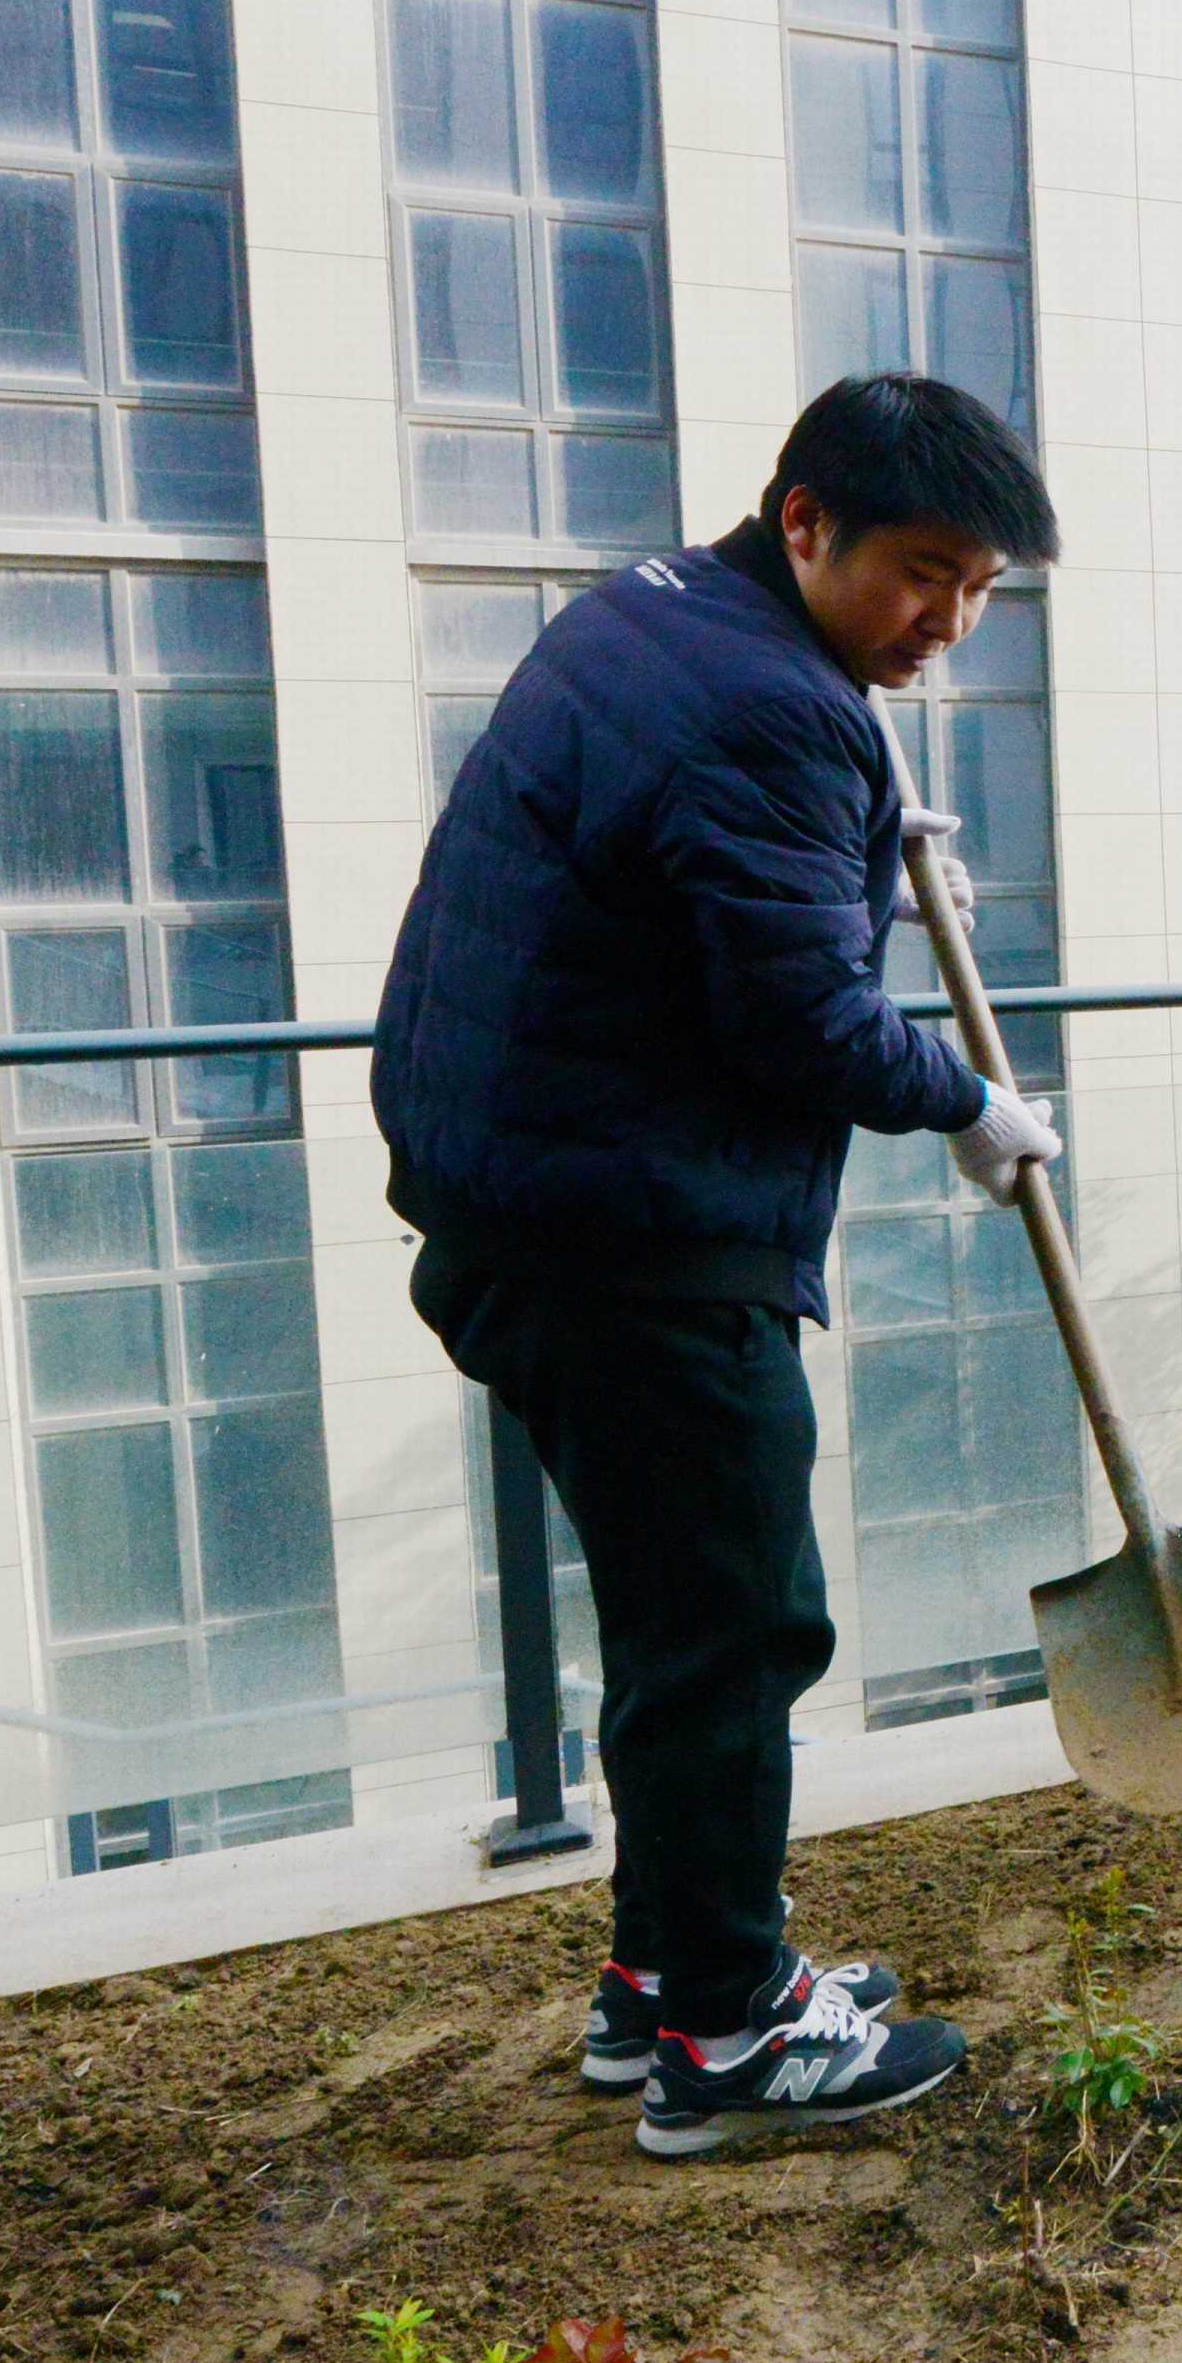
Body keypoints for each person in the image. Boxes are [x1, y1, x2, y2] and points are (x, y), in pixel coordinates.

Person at [374, 374, 1061, 2162]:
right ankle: (730, 2044)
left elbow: (713, 901)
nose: (949, 623)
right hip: (629, 1241)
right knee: (739, 1625)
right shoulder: (772, 706)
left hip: (521, 1199)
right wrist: (971, 1100)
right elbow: (794, 1022)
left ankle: (663, 1979)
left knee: (677, 1625)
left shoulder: (653, 616)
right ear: (804, 521)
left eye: (980, 591)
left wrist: (855, 863)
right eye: (924, 575)